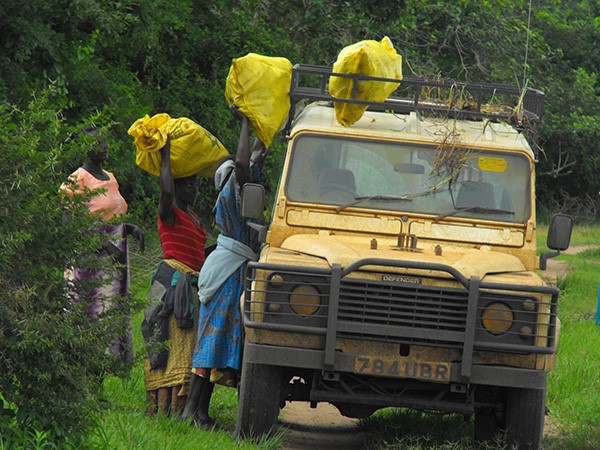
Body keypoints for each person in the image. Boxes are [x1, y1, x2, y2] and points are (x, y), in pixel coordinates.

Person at [181, 106, 269, 428]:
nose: (252, 169)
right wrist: (245, 122)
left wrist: (268, 126)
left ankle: (200, 412)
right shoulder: (235, 190)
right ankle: (191, 411)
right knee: (210, 344)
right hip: (226, 274)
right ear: (232, 178)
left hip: (232, 271)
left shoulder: (242, 191)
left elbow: (255, 156)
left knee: (217, 346)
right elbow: (245, 161)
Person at [60, 125, 144, 365]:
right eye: (98, 143)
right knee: (91, 309)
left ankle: (107, 366)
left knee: (111, 309)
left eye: (105, 142)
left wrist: (129, 228)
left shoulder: (111, 177)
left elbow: (110, 216)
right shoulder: (76, 179)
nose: (104, 147)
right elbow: (71, 225)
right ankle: (86, 365)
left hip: (115, 257)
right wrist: (105, 246)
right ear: (85, 148)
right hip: (91, 259)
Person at [141, 137, 208, 417]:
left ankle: (176, 408)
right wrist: (165, 156)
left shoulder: (194, 217)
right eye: (187, 185)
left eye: (195, 185)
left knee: (184, 344)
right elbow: (165, 192)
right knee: (163, 336)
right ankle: (160, 408)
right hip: (170, 281)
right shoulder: (169, 213)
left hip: (189, 285)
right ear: (176, 187)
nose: (192, 189)